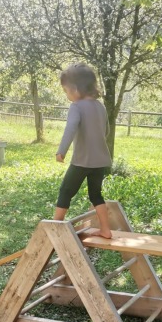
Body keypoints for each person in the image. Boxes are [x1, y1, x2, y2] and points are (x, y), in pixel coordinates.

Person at [53, 63, 112, 238]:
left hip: (82, 161)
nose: (67, 95)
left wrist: (61, 151)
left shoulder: (76, 107)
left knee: (66, 191)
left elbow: (70, 129)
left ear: (76, 89)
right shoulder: (100, 106)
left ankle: (55, 225)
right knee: (96, 194)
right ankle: (106, 230)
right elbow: (106, 130)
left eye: (66, 91)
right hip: (100, 160)